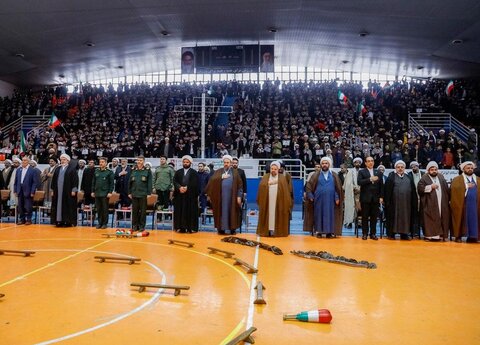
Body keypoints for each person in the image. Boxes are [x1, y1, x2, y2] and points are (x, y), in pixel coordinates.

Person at [304, 157, 343, 238]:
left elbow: (337, 188)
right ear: (321, 164)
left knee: (330, 215)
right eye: (323, 163)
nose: (324, 165)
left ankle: (329, 232)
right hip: (318, 199)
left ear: (329, 164)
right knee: (319, 215)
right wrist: (310, 196)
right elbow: (309, 185)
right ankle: (319, 232)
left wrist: (337, 198)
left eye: (326, 163)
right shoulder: (316, 175)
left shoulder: (334, 175)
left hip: (330, 200)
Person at [205, 155, 243, 235]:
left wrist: (239, 196)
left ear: (231, 163)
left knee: (232, 212)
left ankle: (232, 229)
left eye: (228, 162)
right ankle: (221, 229)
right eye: (225, 162)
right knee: (220, 212)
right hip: (220, 197)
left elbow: (240, 185)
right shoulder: (218, 172)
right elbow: (212, 181)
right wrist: (221, 177)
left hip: (231, 198)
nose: (226, 164)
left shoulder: (235, 172)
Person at [256, 161, 292, 237]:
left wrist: (277, 182)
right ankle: (267, 231)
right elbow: (261, 186)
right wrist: (268, 184)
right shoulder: (266, 176)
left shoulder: (282, 178)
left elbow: (285, 191)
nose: (273, 170)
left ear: (278, 169)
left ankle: (277, 231)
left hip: (279, 202)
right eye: (272, 169)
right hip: (267, 201)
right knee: (268, 216)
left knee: (277, 215)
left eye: (275, 169)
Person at [417, 161, 450, 241]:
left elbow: (446, 188)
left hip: (441, 202)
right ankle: (430, 236)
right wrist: (430, 187)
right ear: (428, 170)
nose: (434, 171)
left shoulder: (441, 177)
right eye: (432, 169)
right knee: (430, 219)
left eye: (435, 169)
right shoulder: (424, 178)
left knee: (442, 217)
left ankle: (441, 235)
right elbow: (420, 189)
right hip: (429, 203)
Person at [384, 160, 416, 240]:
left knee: (406, 217)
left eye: (402, 167)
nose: (400, 169)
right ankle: (391, 234)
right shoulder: (391, 177)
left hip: (406, 204)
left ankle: (404, 234)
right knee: (393, 217)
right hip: (393, 204)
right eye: (398, 167)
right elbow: (387, 191)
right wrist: (387, 202)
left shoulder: (409, 177)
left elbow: (413, 191)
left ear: (404, 168)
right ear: (395, 168)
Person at [450, 161, 480, 243]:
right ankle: (458, 236)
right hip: (463, 204)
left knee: (474, 220)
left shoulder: (478, 179)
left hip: (475, 205)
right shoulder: (457, 179)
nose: (470, 169)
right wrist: (466, 186)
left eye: (471, 168)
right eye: (468, 168)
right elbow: (454, 189)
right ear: (463, 169)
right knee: (460, 218)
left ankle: (473, 237)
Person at [357, 156, 383, 240]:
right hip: (365, 198)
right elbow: (359, 182)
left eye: (372, 161)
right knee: (364, 217)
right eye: (368, 161)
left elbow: (381, 186)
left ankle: (373, 234)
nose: (370, 162)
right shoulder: (362, 172)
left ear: (374, 162)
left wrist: (381, 197)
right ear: (365, 163)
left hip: (375, 198)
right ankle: (365, 233)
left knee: (374, 217)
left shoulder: (378, 172)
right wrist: (370, 179)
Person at [173, 155, 199, 233]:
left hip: (190, 196)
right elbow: (175, 181)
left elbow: (195, 183)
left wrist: (187, 188)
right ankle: (180, 227)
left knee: (190, 212)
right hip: (180, 195)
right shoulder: (178, 172)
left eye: (187, 162)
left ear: (190, 163)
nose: (185, 163)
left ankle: (190, 228)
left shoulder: (194, 172)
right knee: (180, 211)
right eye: (184, 162)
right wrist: (179, 188)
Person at [51, 154, 79, 227]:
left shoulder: (72, 169)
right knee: (58, 205)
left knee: (67, 206)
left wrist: (74, 190)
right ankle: (58, 221)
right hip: (58, 191)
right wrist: (52, 190)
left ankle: (67, 221)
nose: (62, 161)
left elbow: (75, 181)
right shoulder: (57, 169)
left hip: (68, 192)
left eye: (64, 159)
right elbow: (53, 180)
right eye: (61, 159)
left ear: (68, 160)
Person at [128, 156, 152, 232]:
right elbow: (130, 182)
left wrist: (149, 193)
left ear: (143, 161)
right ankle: (135, 226)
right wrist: (129, 192)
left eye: (141, 160)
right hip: (134, 193)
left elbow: (149, 183)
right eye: (138, 160)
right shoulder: (133, 170)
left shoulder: (147, 170)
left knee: (142, 211)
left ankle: (142, 226)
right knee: (134, 211)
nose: (139, 162)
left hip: (143, 193)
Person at [14, 156, 39, 225]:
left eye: (25, 160)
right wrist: (15, 190)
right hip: (20, 190)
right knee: (20, 206)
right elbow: (16, 181)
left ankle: (29, 219)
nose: (23, 162)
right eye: (22, 160)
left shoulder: (32, 170)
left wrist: (33, 191)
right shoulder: (19, 170)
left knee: (28, 206)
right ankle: (22, 219)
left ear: (28, 162)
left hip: (28, 190)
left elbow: (35, 182)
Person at [92, 157, 114, 229]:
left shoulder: (109, 172)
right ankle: (99, 222)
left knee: (104, 209)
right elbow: (93, 182)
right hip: (97, 192)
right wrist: (92, 191)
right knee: (98, 209)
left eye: (102, 162)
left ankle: (105, 223)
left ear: (106, 163)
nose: (101, 163)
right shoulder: (96, 171)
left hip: (105, 193)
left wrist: (110, 192)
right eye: (100, 162)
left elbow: (111, 183)